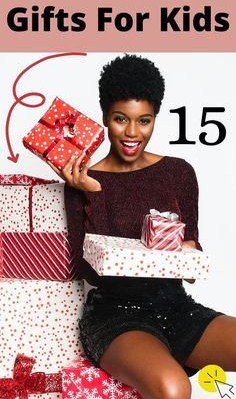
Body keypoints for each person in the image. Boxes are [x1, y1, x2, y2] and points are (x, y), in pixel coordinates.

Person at [50, 54, 236, 399]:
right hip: (116, 318)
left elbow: (192, 263)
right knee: (172, 387)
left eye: (144, 120)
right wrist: (93, 193)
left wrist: (189, 249)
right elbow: (84, 270)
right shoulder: (83, 180)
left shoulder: (179, 172)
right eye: (121, 119)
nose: (133, 133)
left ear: (155, 119)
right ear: (105, 116)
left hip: (178, 308)